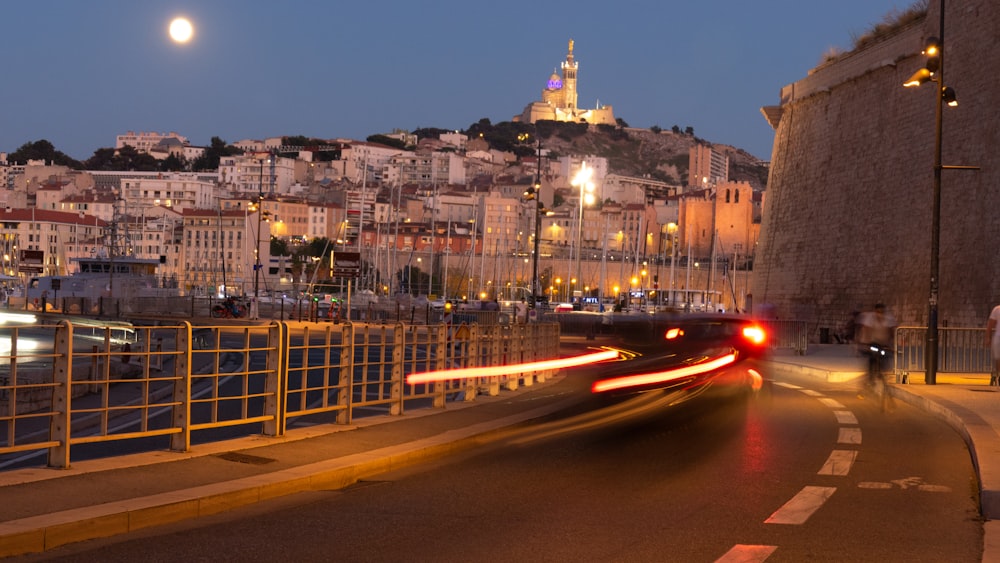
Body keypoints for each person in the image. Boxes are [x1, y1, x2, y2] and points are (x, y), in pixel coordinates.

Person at [857, 303, 896, 390]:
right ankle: (870, 379)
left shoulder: (888, 319)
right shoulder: (870, 318)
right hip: (873, 343)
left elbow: (891, 332)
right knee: (873, 358)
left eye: (881, 312)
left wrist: (892, 344)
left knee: (885, 357)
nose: (880, 314)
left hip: (884, 343)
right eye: (878, 311)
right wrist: (866, 343)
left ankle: (883, 374)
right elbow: (867, 331)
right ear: (875, 311)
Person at [986, 304, 1000, 382]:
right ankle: (998, 374)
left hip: (998, 338)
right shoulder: (997, 309)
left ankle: (997, 374)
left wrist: (988, 337)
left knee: (998, 358)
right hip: (998, 338)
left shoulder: (997, 309)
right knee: (998, 358)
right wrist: (988, 337)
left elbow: (990, 325)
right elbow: (990, 324)